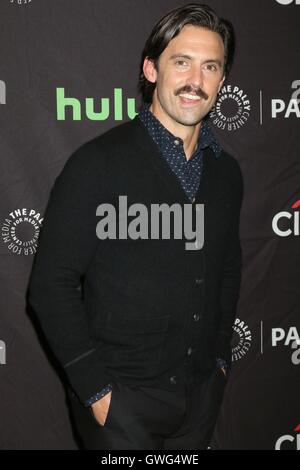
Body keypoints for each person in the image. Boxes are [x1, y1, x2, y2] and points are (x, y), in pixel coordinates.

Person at [28, 3, 243, 450]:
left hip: (199, 401)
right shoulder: (96, 165)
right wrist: (97, 393)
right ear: (151, 69)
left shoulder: (226, 174)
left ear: (222, 81)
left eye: (210, 67)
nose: (195, 81)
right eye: (181, 62)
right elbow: (51, 284)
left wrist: (218, 364)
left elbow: (226, 269)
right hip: (119, 408)